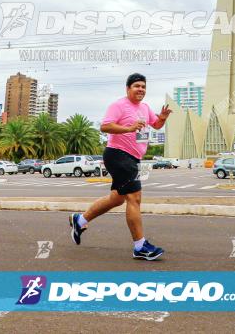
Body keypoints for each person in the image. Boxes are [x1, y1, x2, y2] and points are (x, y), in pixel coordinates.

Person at [69, 73, 171, 260]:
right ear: (128, 88)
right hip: (118, 154)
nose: (141, 89)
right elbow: (105, 126)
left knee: (116, 199)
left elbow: (155, 125)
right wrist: (129, 128)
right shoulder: (119, 105)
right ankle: (140, 247)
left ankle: (80, 220)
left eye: (143, 86)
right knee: (134, 198)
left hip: (133, 158)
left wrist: (162, 118)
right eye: (137, 86)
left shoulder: (145, 107)